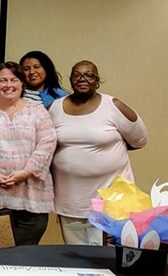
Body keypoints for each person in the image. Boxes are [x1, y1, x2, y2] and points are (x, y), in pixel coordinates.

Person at [50, 60, 147, 245]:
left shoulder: (113, 106)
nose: (82, 79)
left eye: (88, 75)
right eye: (77, 75)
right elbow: (46, 144)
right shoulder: (55, 108)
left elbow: (139, 140)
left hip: (110, 199)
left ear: (97, 81)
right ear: (70, 80)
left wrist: (101, 156)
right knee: (76, 257)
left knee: (105, 257)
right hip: (70, 200)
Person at [0, 61, 56, 246]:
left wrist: (25, 173)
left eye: (14, 80)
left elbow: (47, 143)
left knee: (24, 257)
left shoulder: (37, 110)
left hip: (32, 198)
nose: (8, 85)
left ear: (22, 84)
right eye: (2, 80)